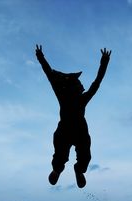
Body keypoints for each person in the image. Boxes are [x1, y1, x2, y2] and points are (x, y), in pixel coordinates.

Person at [36, 44, 111, 188]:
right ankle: (57, 169)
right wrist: (41, 57)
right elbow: (49, 75)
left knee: (85, 154)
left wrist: (104, 63)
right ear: (73, 87)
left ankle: (79, 170)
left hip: (79, 132)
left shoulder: (81, 98)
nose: (82, 86)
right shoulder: (63, 95)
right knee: (60, 155)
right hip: (64, 131)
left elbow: (97, 83)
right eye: (79, 84)